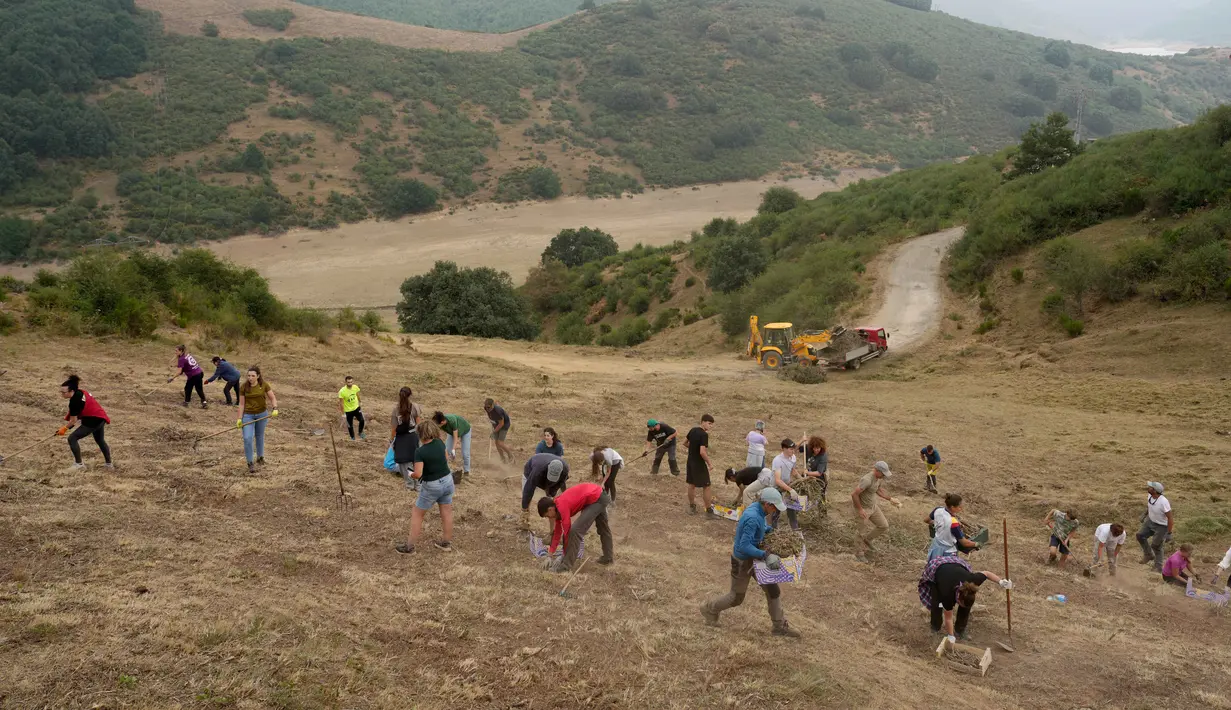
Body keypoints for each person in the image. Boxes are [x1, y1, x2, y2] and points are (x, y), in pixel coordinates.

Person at [699, 488, 801, 639]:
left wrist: (768, 530)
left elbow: (759, 526)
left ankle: (779, 627)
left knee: (773, 590)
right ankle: (709, 609)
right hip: (742, 561)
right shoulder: (753, 517)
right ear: (767, 504)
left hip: (755, 557)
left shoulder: (758, 510)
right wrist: (765, 555)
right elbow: (743, 546)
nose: (775, 510)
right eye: (774, 507)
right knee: (736, 597)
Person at [918, 555, 1011, 642]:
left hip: (958, 565)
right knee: (937, 604)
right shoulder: (946, 593)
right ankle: (935, 627)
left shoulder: (972, 580)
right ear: (958, 597)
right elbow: (948, 618)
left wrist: (1001, 582)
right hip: (938, 570)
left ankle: (960, 630)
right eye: (960, 603)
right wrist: (950, 635)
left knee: (965, 608)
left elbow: (986, 574)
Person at [395, 420, 455, 554]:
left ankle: (409, 547)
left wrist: (410, 474)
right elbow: (445, 458)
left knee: (417, 513)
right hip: (447, 481)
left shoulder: (420, 452)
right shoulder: (439, 442)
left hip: (432, 486)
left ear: (420, 435)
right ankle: (446, 543)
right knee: (446, 511)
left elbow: (418, 474)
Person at [538, 481, 614, 571]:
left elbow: (567, 533)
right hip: (597, 496)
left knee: (574, 531)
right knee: (603, 529)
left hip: (597, 498)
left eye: (547, 515)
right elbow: (557, 533)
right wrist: (550, 554)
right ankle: (608, 558)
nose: (548, 518)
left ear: (550, 509)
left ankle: (565, 566)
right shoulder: (557, 509)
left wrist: (563, 556)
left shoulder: (562, 506)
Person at [58, 375, 112, 470]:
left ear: (72, 391)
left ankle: (79, 465)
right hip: (101, 417)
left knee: (72, 438)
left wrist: (64, 429)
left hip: (93, 420)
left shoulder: (74, 401)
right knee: (100, 440)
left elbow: (73, 420)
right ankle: (109, 464)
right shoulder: (80, 392)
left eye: (63, 392)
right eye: (61, 392)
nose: (62, 394)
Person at [852, 461, 901, 562]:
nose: (884, 476)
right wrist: (860, 509)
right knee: (861, 532)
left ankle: (868, 540)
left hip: (873, 507)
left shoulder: (878, 479)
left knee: (884, 525)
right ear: (877, 470)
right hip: (864, 508)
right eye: (883, 473)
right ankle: (859, 553)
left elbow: (877, 490)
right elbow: (854, 495)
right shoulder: (867, 480)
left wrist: (890, 499)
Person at [236, 366, 278, 474]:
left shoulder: (263, 385)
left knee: (259, 436)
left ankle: (260, 458)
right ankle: (250, 463)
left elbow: (272, 398)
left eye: (253, 376)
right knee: (247, 438)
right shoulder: (244, 387)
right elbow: (241, 404)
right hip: (248, 416)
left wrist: (275, 408)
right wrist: (239, 418)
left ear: (258, 376)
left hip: (262, 414)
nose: (250, 378)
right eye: (249, 375)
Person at [520, 453, 569, 530]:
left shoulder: (565, 470)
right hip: (530, 472)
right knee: (527, 499)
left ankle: (552, 530)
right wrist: (524, 509)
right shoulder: (537, 471)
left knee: (551, 505)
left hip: (545, 474)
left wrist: (553, 493)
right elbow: (528, 490)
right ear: (548, 468)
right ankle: (525, 521)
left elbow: (561, 483)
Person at [1136, 481, 1173, 573]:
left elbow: (1170, 518)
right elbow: (1150, 506)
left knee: (1156, 546)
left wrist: (1169, 533)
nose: (1148, 487)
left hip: (1162, 526)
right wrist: (1144, 515)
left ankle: (1158, 567)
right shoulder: (1150, 496)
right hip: (1151, 521)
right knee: (1140, 535)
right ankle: (1148, 555)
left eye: (1150, 487)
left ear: (1155, 490)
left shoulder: (1163, 502)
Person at [929, 494, 978, 560]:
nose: (961, 509)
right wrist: (977, 544)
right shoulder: (953, 522)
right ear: (952, 507)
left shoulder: (938, 510)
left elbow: (927, 520)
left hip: (936, 547)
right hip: (948, 552)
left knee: (934, 567)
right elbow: (964, 543)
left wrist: (938, 524)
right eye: (959, 507)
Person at [685, 414, 716, 516]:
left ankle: (692, 506)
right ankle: (709, 511)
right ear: (703, 422)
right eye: (709, 423)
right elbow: (702, 452)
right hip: (699, 464)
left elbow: (685, 443)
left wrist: (693, 447)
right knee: (706, 486)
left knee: (691, 484)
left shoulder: (693, 430)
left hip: (690, 461)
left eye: (712, 424)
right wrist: (709, 463)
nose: (710, 426)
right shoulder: (703, 435)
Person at [390, 387, 421, 488]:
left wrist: (392, 440)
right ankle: (418, 485)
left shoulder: (396, 409)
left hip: (401, 438)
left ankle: (409, 484)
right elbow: (418, 423)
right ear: (410, 395)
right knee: (416, 460)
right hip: (413, 436)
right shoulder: (415, 406)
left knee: (404, 462)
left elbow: (394, 428)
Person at [771, 439, 802, 530]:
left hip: (787, 485)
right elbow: (778, 480)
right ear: (784, 449)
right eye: (790, 449)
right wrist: (790, 490)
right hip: (776, 487)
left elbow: (793, 470)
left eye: (793, 449)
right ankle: (773, 529)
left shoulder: (793, 458)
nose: (793, 451)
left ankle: (794, 528)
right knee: (776, 508)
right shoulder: (778, 460)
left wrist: (801, 479)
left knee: (791, 506)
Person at [433, 411, 471, 480]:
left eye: (437, 425)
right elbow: (437, 436)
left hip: (465, 431)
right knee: (446, 451)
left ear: (442, 422)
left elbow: (455, 437)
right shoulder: (440, 423)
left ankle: (466, 471)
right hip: (451, 432)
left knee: (465, 453)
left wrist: (453, 449)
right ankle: (445, 471)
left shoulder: (452, 421)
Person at [168, 344, 208, 409]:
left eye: (176, 351)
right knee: (198, 389)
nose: (175, 352)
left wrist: (172, 378)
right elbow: (185, 365)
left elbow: (179, 371)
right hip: (199, 372)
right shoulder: (186, 354)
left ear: (181, 351)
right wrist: (176, 365)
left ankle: (187, 402)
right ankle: (204, 402)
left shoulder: (181, 359)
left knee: (188, 388)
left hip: (194, 375)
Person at [797, 435, 829, 502]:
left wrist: (807, 473)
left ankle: (821, 507)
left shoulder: (823, 456)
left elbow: (819, 473)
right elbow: (795, 448)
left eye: (818, 448)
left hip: (819, 478)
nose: (816, 450)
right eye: (814, 448)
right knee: (802, 491)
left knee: (819, 496)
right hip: (807, 474)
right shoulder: (808, 448)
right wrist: (802, 440)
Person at [484, 398, 513, 464]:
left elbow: (501, 423)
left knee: (500, 443)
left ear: (492, 405)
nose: (487, 409)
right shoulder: (486, 408)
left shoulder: (498, 412)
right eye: (486, 407)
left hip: (504, 425)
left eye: (488, 407)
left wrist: (494, 432)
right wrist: (492, 420)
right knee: (496, 443)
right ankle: (503, 458)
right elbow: (491, 414)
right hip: (496, 424)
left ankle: (510, 456)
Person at [338, 375, 365, 441]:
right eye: (348, 382)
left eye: (351, 382)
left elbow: (357, 394)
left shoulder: (355, 387)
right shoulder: (342, 391)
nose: (350, 383)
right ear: (345, 382)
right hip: (348, 411)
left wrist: (360, 401)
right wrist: (343, 413)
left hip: (356, 408)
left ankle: (360, 432)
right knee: (350, 425)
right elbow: (341, 403)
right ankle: (352, 437)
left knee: (362, 420)